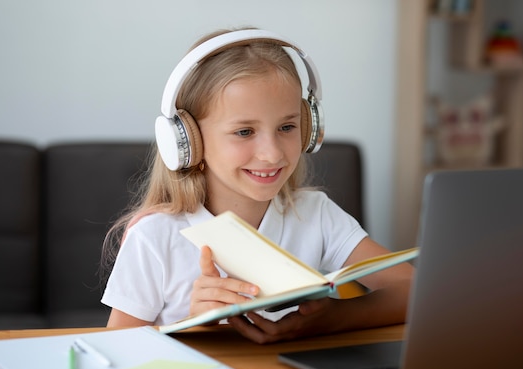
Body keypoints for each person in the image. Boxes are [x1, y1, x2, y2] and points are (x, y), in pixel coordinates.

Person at [101, 28, 413, 344]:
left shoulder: (315, 215)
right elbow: (116, 354)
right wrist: (194, 325)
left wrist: (332, 318)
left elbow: (416, 290)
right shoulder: (154, 237)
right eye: (245, 132)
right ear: (188, 142)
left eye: (287, 127)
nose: (272, 153)